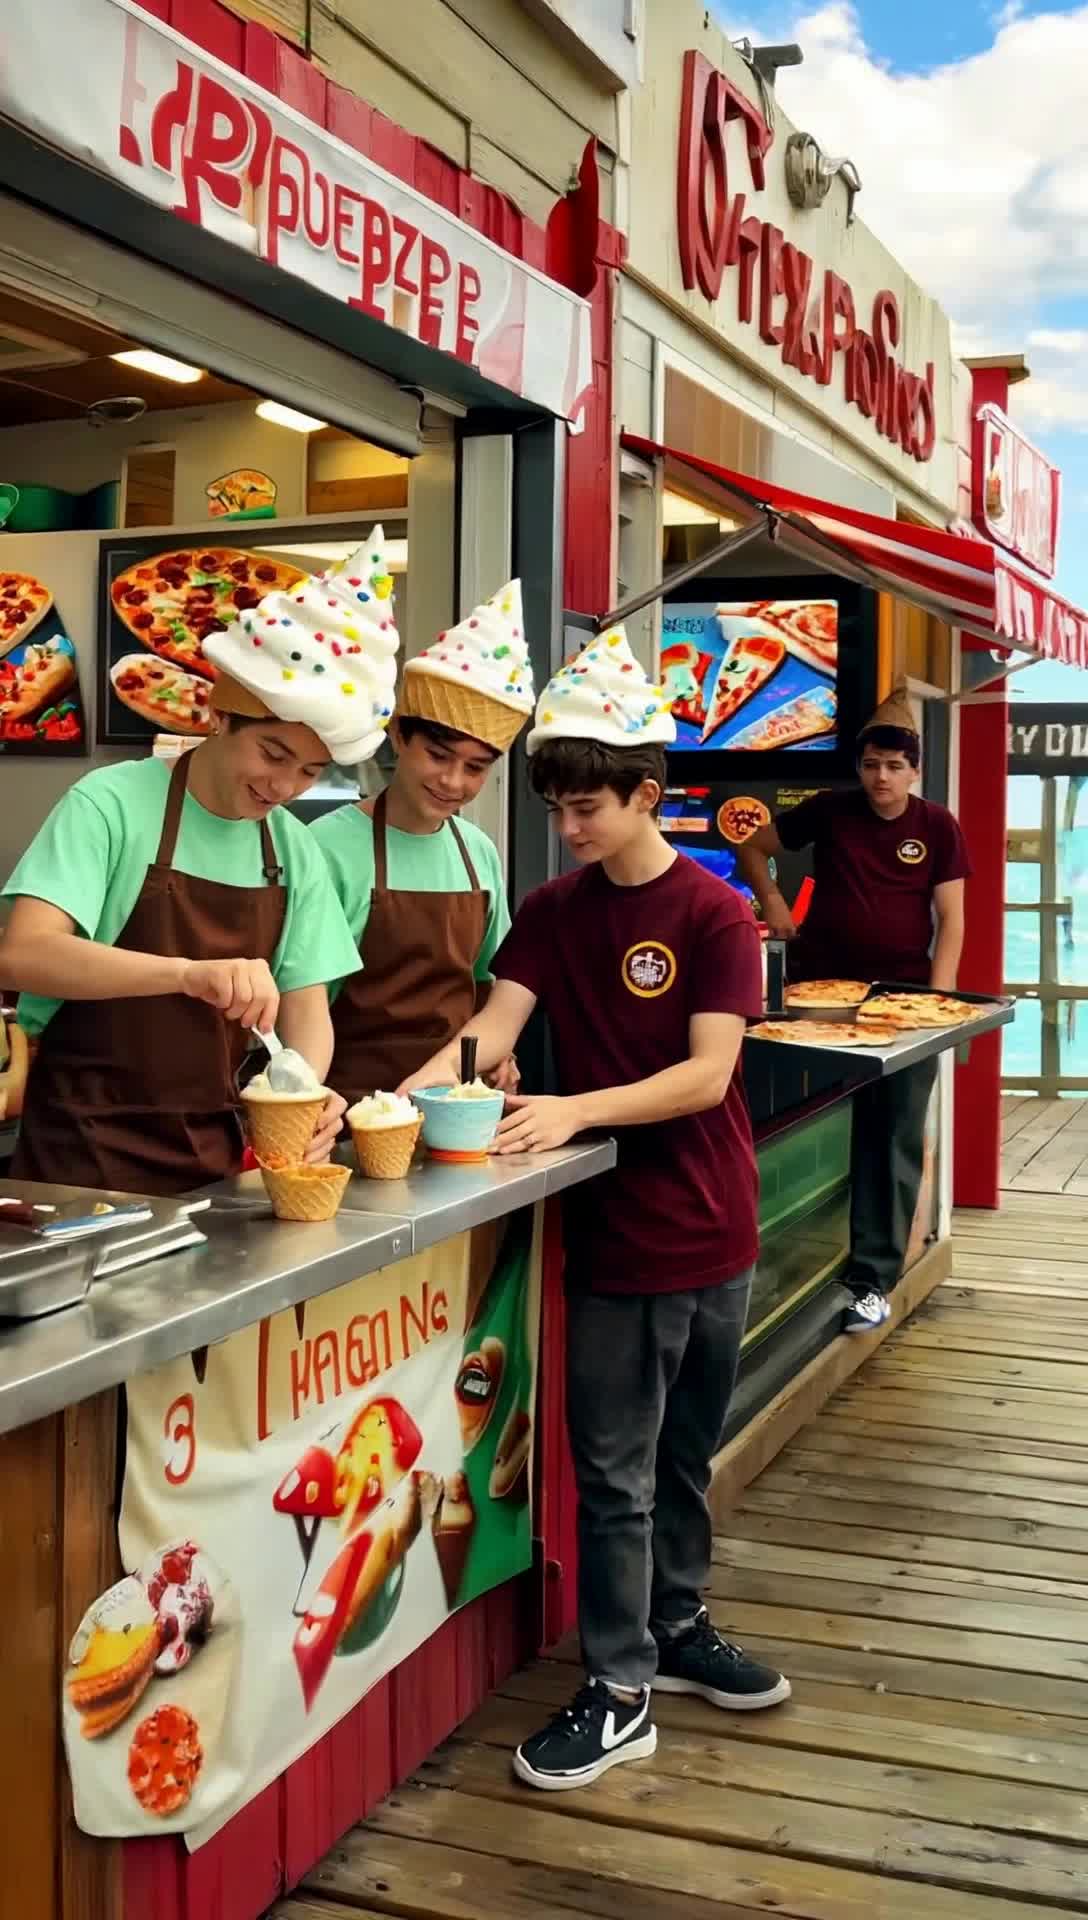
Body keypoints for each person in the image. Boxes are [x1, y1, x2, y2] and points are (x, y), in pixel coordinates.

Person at [404, 626, 789, 1793]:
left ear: (646, 795)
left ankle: (675, 1628)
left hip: (713, 1223)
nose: (568, 828)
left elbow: (705, 1075)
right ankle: (618, 1683)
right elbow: (488, 1034)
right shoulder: (552, 908)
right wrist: (381, 1101)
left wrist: (574, 1111)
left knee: (681, 1458)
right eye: (559, 808)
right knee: (615, 1473)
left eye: (587, 807)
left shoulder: (714, 915)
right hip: (615, 1242)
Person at [0, 533, 400, 1196]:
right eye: (272, 755)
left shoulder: (291, 850)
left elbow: (306, 1010)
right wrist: (186, 974)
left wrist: (304, 1090)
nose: (284, 788)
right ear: (219, 715)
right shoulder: (111, 803)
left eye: (309, 771)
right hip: (81, 1159)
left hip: (211, 1164)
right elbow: (24, 953)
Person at [737, 687, 971, 1334]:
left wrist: (938, 1003)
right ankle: (788, 1262)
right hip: (817, 1001)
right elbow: (753, 849)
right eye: (872, 764)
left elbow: (951, 919)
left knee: (892, 1134)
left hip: (904, 1004)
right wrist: (776, 907)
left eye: (895, 766)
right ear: (859, 766)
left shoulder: (937, 827)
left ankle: (872, 1279)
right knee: (804, 1119)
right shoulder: (830, 811)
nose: (881, 778)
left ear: (915, 770)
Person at [311, 581, 533, 1100]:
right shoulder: (324, 846)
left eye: (475, 768)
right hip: (345, 1105)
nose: (453, 782)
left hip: (456, 1105)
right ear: (397, 738)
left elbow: (488, 985)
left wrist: (498, 1055)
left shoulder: (477, 852)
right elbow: (301, 1002)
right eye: (438, 756)